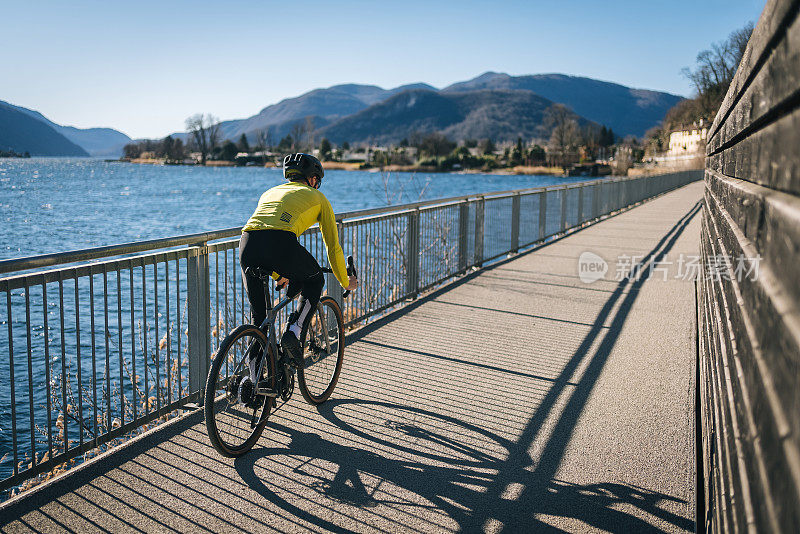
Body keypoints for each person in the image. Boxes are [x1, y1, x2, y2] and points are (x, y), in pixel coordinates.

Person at [239, 153, 357, 386]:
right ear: (313, 179)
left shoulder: (270, 192)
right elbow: (333, 248)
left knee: (258, 321)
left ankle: (255, 385)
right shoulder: (318, 197)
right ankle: (294, 331)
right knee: (314, 281)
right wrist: (345, 281)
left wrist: (277, 274)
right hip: (280, 244)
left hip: (247, 243)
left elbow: (265, 232)